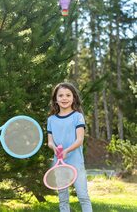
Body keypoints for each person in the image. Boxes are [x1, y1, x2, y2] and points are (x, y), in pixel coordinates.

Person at [47, 82, 93, 212]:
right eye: (60, 95)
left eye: (68, 95)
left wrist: (67, 150)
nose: (64, 98)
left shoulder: (78, 117)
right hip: (59, 163)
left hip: (76, 162)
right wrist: (54, 148)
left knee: (83, 196)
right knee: (63, 198)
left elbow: (79, 140)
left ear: (74, 98)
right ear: (56, 99)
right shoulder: (51, 119)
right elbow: (50, 141)